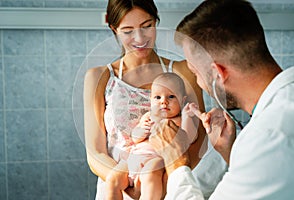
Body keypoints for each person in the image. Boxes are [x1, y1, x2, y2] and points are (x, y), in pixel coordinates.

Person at [148, 0, 294, 199]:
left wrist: (175, 160)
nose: (199, 83)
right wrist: (230, 152)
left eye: (195, 73)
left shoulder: (270, 137)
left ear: (217, 74)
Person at [84, 0, 225, 199]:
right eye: (127, 31)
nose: (140, 38)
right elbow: (94, 153)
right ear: (114, 29)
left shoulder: (181, 71)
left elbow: (197, 141)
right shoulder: (99, 77)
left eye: (147, 26)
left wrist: (163, 180)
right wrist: (128, 182)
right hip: (119, 185)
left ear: (156, 21)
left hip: (167, 185)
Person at [109, 72, 199, 200]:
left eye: (171, 96)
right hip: (134, 158)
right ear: (150, 100)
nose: (164, 102)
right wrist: (142, 130)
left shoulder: (179, 120)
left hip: (156, 159)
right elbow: (135, 138)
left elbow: (188, 138)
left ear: (182, 100)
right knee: (113, 179)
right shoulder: (149, 116)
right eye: (157, 97)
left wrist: (188, 117)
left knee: (150, 175)